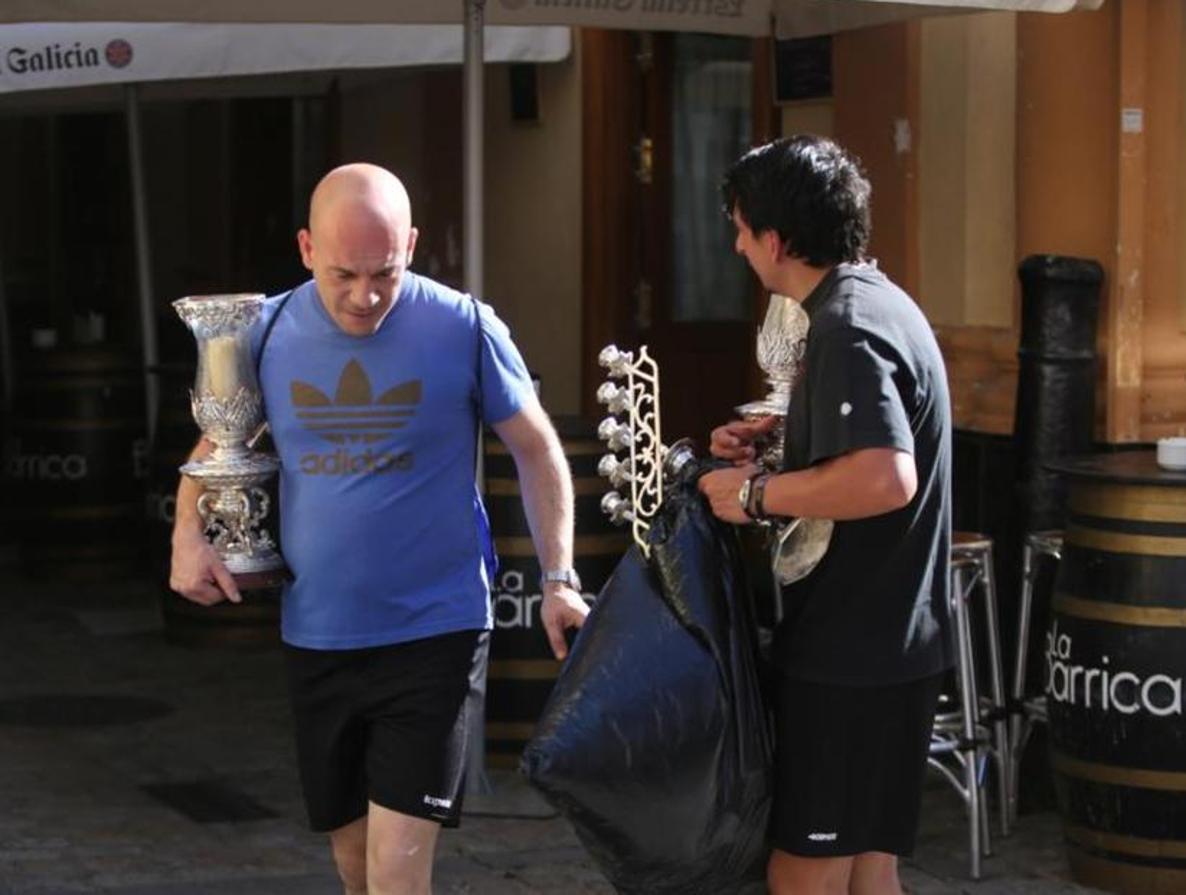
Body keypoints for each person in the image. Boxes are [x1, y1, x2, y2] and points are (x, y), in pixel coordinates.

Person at [170, 163, 589, 895]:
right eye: (344, 274)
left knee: (397, 872)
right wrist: (186, 538)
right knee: (354, 864)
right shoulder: (261, 330)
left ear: (413, 246)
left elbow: (536, 447)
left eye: (385, 273)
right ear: (305, 247)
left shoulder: (463, 326)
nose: (365, 296)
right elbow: (216, 446)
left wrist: (558, 577)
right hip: (320, 633)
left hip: (436, 629)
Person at [698, 136, 953, 895]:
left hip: (854, 647)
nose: (739, 246)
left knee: (803, 874)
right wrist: (784, 440)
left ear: (776, 240)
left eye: (742, 230)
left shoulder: (844, 325)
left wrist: (752, 496)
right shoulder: (875, 299)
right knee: (870, 872)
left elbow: (883, 475)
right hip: (895, 642)